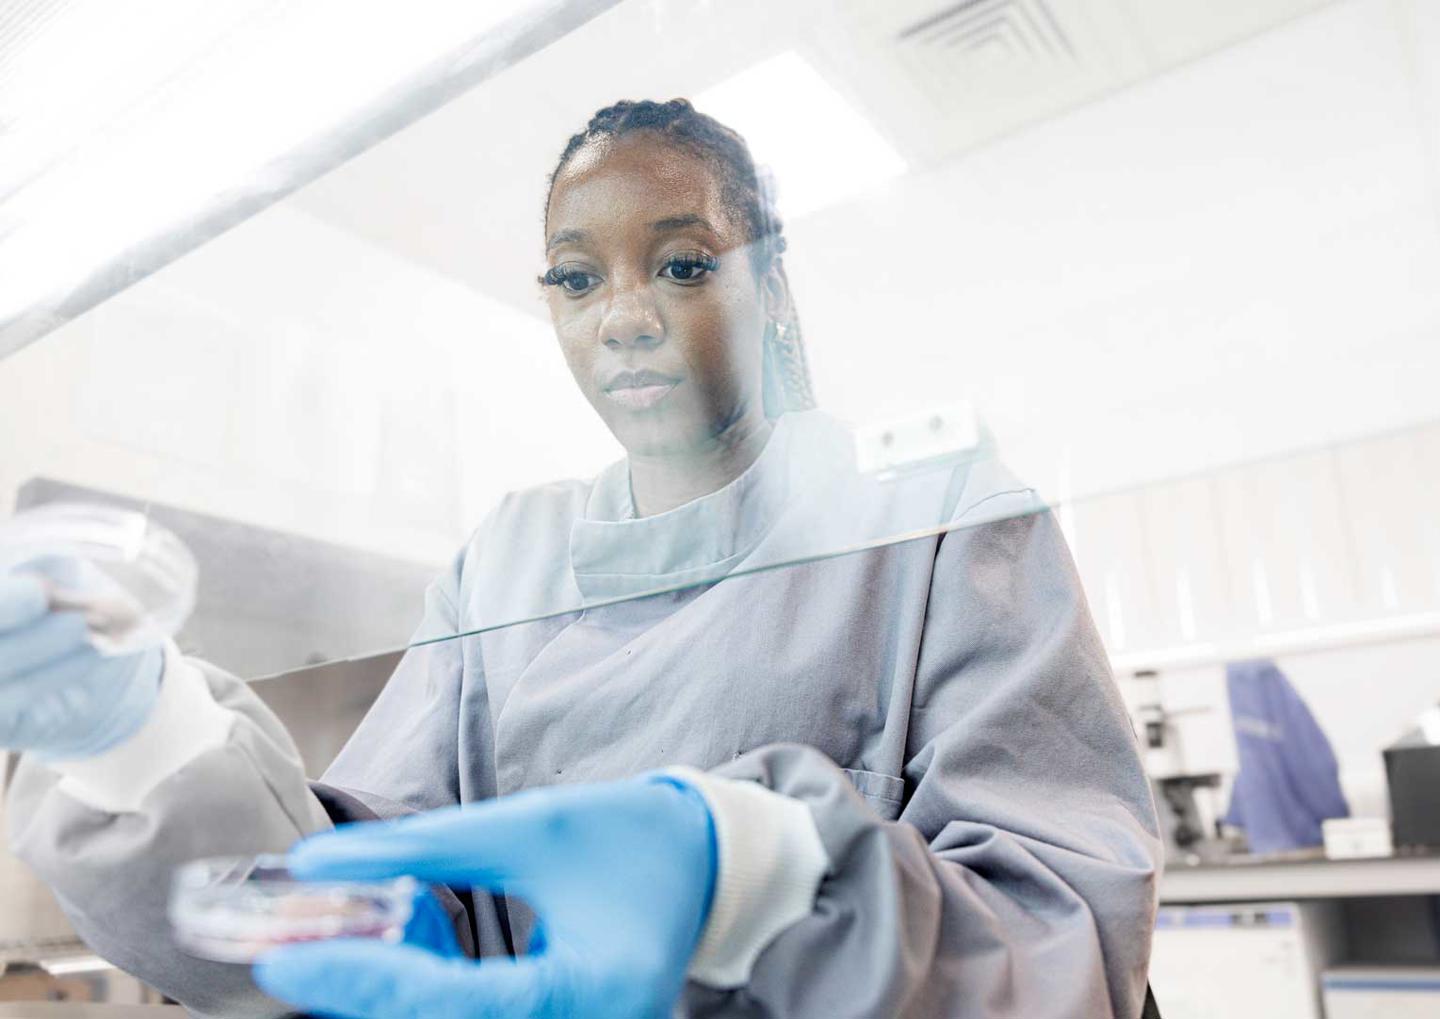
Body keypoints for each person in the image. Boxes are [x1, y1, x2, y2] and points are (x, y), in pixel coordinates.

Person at [3, 99, 1161, 1018]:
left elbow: (1063, 939)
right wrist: (138, 740)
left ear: (774, 289)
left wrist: (757, 882)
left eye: (683, 263)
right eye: (576, 277)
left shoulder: (937, 517)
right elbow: (357, 902)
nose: (624, 314)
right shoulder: (508, 559)